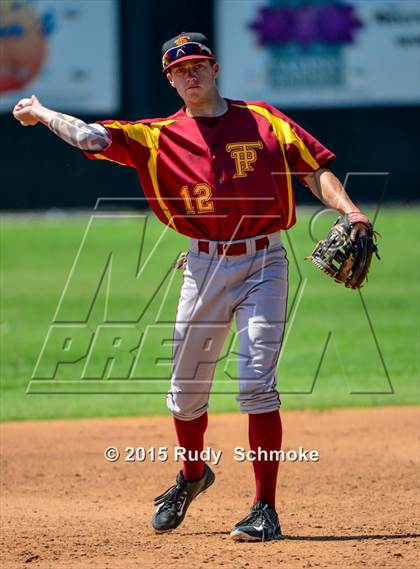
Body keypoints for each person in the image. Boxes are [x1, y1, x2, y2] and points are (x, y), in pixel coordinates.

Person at [13, 32, 371, 542]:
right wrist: (43, 112)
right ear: (170, 79)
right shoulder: (155, 135)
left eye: (199, 65)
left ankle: (264, 508)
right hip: (203, 267)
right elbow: (92, 138)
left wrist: (351, 211)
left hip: (265, 260)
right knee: (185, 396)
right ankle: (192, 475)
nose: (191, 75)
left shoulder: (264, 120)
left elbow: (314, 171)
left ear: (216, 68)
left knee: (255, 384)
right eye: (180, 70)